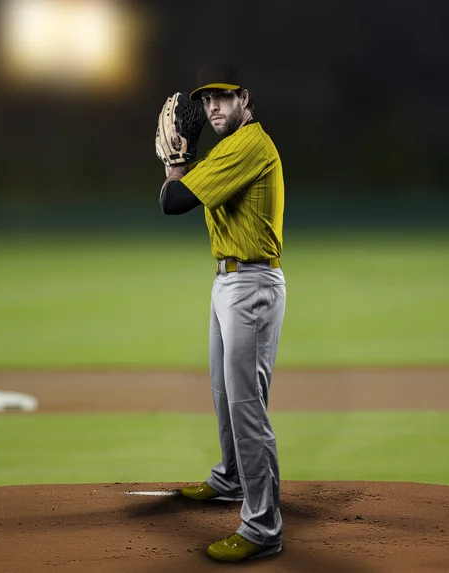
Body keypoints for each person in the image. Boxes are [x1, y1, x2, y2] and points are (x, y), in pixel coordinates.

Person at [158, 59, 286, 562]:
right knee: (222, 390)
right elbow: (179, 197)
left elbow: (173, 202)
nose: (211, 106)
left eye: (221, 97)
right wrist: (183, 167)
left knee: (246, 405)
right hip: (228, 282)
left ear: (244, 99)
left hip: (251, 285)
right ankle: (232, 479)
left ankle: (262, 528)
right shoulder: (227, 148)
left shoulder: (249, 147)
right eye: (205, 100)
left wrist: (174, 163)